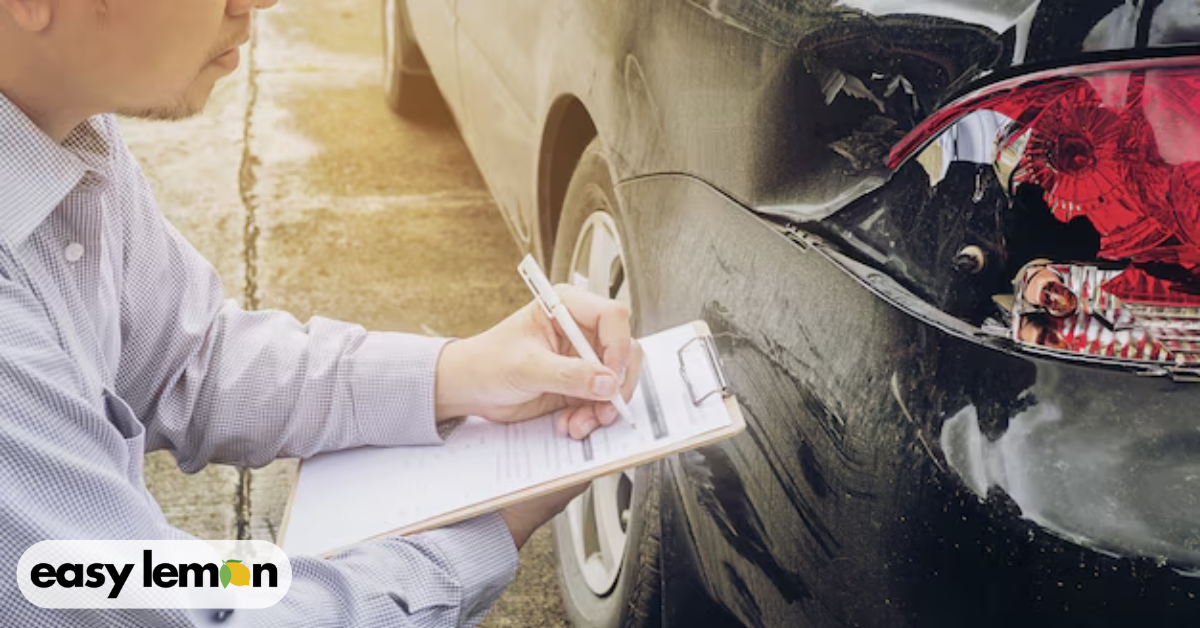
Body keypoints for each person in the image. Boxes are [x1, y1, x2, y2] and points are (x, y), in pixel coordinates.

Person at [0, 0, 642, 625]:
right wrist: (479, 531)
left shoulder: (65, 136)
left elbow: (189, 360)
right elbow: (172, 605)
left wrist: (460, 373)